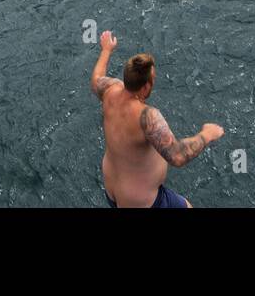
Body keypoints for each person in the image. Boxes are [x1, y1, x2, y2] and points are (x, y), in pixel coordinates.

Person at [91, 30, 223, 208]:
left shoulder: (109, 90)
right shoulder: (147, 116)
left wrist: (106, 50)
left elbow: (96, 78)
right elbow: (177, 156)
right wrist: (207, 134)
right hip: (141, 201)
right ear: (145, 87)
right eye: (153, 80)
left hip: (112, 190)